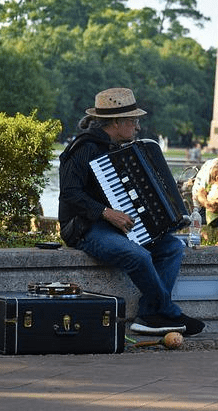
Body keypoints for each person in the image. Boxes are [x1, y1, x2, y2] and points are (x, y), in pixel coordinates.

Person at [58, 87, 204, 336]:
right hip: (85, 228)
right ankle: (167, 311)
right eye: (133, 121)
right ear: (116, 122)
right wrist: (105, 212)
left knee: (172, 247)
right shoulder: (84, 148)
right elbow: (70, 192)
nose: (137, 127)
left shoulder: (122, 148)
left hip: (115, 226)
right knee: (139, 256)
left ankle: (148, 315)